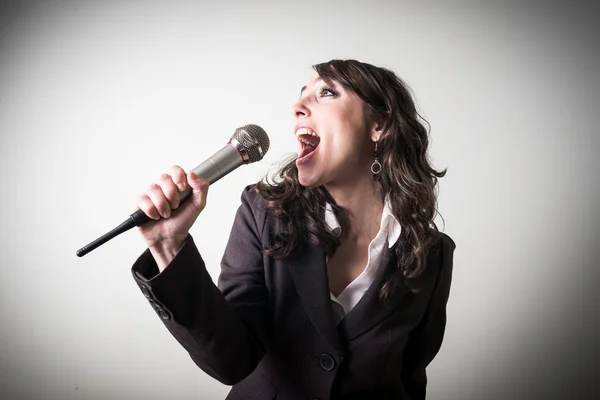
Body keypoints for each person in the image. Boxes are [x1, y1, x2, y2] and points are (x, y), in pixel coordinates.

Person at [130, 59, 456, 400]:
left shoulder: (431, 253)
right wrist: (168, 245)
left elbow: (411, 379)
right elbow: (230, 361)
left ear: (379, 126)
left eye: (326, 93)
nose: (297, 108)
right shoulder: (263, 213)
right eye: (301, 96)